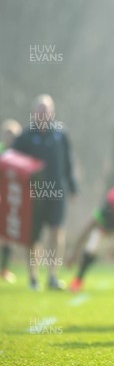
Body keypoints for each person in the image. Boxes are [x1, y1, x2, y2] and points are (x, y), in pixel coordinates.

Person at [13, 95, 77, 290]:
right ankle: (33, 277)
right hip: (32, 196)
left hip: (57, 192)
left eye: (46, 110)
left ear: (52, 113)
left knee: (57, 231)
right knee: (33, 236)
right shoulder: (24, 137)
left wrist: (73, 186)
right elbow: (13, 164)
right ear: (34, 113)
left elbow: (68, 162)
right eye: (40, 110)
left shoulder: (60, 134)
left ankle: (52, 276)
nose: (43, 113)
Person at [0, 119, 23, 284]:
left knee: (10, 236)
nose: (10, 138)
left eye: (13, 135)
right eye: (7, 134)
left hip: (13, 200)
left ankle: (4, 270)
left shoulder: (20, 154)